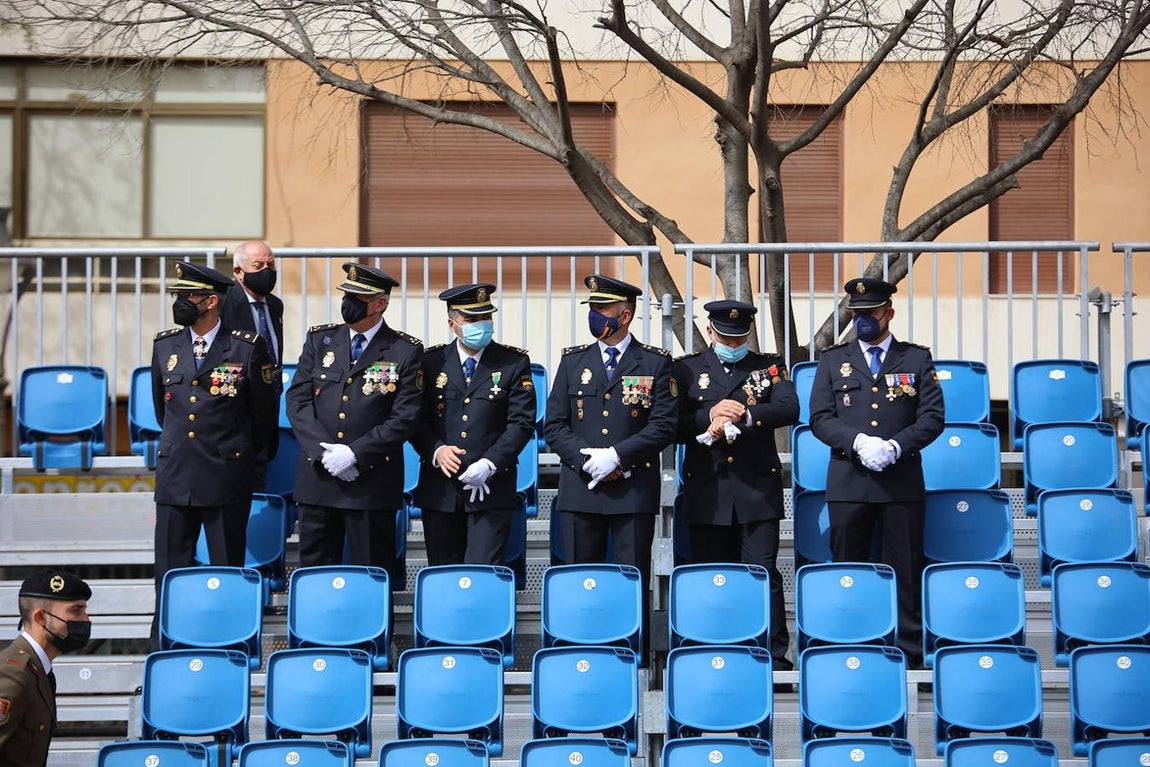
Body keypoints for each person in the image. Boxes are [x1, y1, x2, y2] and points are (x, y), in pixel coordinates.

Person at [808, 277, 945, 668]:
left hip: (900, 482)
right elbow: (820, 418)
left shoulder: (916, 359)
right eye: (858, 314)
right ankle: (847, 644)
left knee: (904, 570)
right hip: (849, 481)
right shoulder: (833, 359)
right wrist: (859, 443)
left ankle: (909, 653)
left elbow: (933, 417)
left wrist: (896, 446)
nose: (863, 320)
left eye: (870, 313)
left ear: (888, 313)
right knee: (847, 571)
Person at [150, 262, 277, 644]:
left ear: (211, 300)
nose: (179, 302)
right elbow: (162, 409)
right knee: (169, 573)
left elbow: (262, 414)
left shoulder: (246, 347)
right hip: (176, 475)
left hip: (224, 473)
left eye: (187, 296)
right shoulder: (165, 344)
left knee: (225, 569)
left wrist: (245, 460)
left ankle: (226, 642)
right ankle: (166, 644)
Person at [672, 300, 799, 672]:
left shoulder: (768, 367)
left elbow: (790, 408)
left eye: (741, 336)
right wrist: (708, 416)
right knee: (710, 575)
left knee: (762, 572)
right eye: (726, 335)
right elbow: (674, 422)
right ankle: (711, 645)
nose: (734, 341)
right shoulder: (688, 369)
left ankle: (774, 655)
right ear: (710, 332)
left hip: (756, 489)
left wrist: (747, 414)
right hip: (708, 491)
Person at [542, 275, 677, 602]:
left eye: (603, 308)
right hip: (580, 489)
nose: (596, 314)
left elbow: (663, 425)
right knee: (579, 585)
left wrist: (616, 456)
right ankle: (579, 652)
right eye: (594, 307)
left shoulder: (655, 363)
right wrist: (588, 461)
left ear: (625, 315)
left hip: (631, 490)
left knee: (630, 586)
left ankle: (634, 654)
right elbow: (555, 425)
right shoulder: (573, 361)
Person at [286, 262, 423, 583]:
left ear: (380, 303)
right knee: (315, 574)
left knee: (372, 574)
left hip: (371, 483)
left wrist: (355, 454)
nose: (348, 301)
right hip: (318, 480)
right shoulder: (321, 341)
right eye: (347, 293)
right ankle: (315, 634)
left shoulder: (404, 350)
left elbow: (405, 416)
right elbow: (298, 401)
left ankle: (372, 635)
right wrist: (324, 452)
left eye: (358, 297)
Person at [411, 283, 536, 566]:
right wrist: (436, 450)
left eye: (486, 317)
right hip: (440, 491)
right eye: (471, 319)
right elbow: (414, 418)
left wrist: (490, 463)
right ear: (452, 323)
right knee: (443, 576)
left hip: (491, 488)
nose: (481, 324)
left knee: (482, 573)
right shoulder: (431, 363)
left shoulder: (513, 363)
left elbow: (521, 422)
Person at [0, 569, 92, 767]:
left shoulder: (38, 670)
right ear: (41, 617)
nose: (86, 620)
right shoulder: (13, 675)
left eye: (85, 610)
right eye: (76, 611)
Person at [220, 240, 285, 488]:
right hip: (237, 411)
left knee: (260, 476)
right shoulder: (225, 302)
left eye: (271, 264)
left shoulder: (275, 305)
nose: (266, 271)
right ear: (238, 271)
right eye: (258, 265)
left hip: (268, 403)